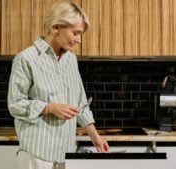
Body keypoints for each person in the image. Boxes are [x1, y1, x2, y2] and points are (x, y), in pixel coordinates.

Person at [7, 0, 109, 168]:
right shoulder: (26, 59)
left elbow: (80, 103)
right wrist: (50, 108)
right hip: (37, 151)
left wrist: (94, 136)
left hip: (65, 151)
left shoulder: (71, 60)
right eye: (75, 33)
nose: (78, 40)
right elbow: (15, 104)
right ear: (56, 28)